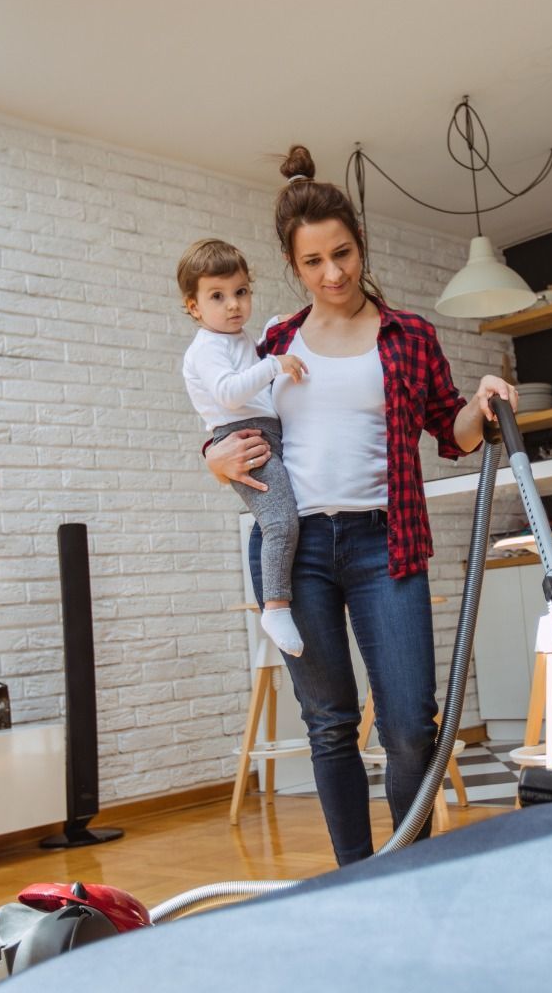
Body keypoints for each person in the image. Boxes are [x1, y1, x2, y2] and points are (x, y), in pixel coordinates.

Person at [207, 145, 516, 865]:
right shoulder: (274, 340)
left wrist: (482, 399)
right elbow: (221, 419)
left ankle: (411, 865)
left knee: (411, 724)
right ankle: (357, 879)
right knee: (329, 723)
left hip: (387, 544)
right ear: (295, 267)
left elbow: (454, 432)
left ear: (360, 244)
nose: (334, 273)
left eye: (342, 253)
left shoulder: (408, 335)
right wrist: (212, 459)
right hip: (296, 551)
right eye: (314, 262)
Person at [178, 238, 309, 657]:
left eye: (241, 292)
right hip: (242, 437)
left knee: (290, 515)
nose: (233, 305)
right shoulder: (206, 348)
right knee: (280, 522)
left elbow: (248, 360)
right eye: (217, 296)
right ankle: (275, 605)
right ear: (195, 307)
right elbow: (231, 393)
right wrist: (275, 363)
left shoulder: (235, 338)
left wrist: (272, 328)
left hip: (262, 431)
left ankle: (282, 599)